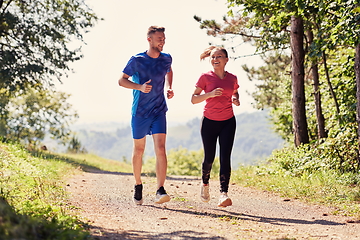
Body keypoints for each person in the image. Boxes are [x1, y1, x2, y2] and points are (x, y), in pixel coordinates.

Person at [118, 26, 174, 205]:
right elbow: (121, 80)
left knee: (161, 148)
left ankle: (160, 189)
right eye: (159, 38)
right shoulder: (137, 60)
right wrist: (139, 87)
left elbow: (169, 70)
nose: (162, 41)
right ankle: (138, 185)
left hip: (159, 110)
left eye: (164, 38)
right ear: (149, 40)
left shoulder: (166, 59)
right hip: (140, 112)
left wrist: (169, 87)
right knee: (139, 150)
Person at [191, 46, 240, 207]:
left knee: (225, 157)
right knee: (209, 158)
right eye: (213, 57)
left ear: (226, 60)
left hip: (228, 121)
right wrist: (210, 94)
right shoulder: (205, 78)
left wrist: (235, 98)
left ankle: (223, 194)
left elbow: (235, 91)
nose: (215, 59)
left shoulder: (232, 78)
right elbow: (194, 99)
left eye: (219, 56)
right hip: (209, 122)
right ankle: (205, 184)